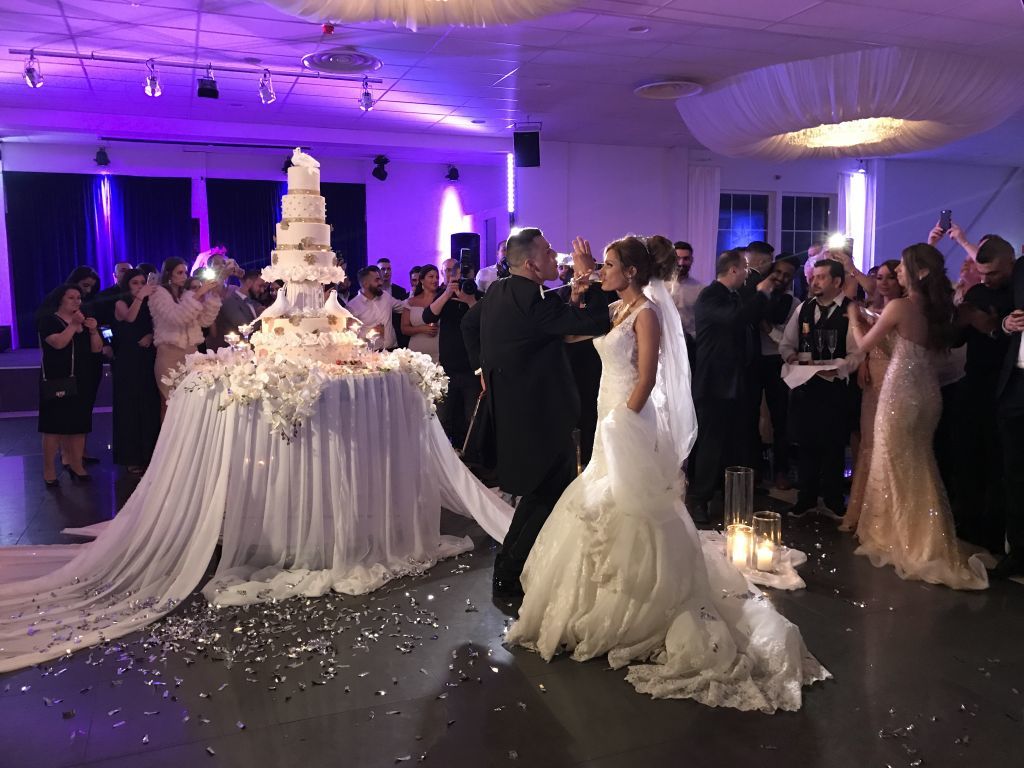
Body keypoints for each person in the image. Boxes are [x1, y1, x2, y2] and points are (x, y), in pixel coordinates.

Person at [506, 235, 828, 712]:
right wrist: (574, 289)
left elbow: (648, 376)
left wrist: (623, 420)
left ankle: (638, 605)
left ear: (631, 272)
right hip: (606, 412)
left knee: (630, 501)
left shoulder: (646, 313)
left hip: (628, 417)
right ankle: (594, 599)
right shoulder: (614, 309)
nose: (603, 272)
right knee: (600, 498)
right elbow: (572, 333)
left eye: (609, 265)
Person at [461, 228, 612, 597]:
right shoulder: (530, 299)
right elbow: (596, 322)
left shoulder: (500, 290)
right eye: (548, 251)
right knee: (547, 495)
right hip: (540, 417)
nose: (555, 255)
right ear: (531, 264)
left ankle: (510, 567)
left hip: (518, 411)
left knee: (539, 494)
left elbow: (469, 324)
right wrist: (589, 275)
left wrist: (484, 370)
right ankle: (509, 572)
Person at [847, 244, 987, 590]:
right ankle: (923, 535)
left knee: (895, 463)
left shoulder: (900, 306)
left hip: (901, 392)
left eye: (901, 267)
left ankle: (905, 538)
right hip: (928, 393)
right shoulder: (938, 309)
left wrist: (854, 320)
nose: (896, 272)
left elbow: (864, 345)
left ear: (918, 272)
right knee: (920, 463)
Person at [687, 250, 777, 523]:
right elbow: (735, 319)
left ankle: (734, 499)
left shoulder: (735, 296)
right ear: (734, 270)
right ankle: (699, 499)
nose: (748, 274)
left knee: (736, 443)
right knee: (711, 443)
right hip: (713, 382)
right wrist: (760, 294)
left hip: (736, 381)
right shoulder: (710, 295)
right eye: (745, 269)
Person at [780, 259, 860, 519]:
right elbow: (787, 344)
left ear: (837, 281)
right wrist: (792, 358)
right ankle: (806, 498)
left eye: (821, 277)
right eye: (813, 277)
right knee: (806, 444)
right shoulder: (804, 308)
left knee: (833, 445)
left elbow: (857, 352)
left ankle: (834, 499)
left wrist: (838, 367)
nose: (814, 282)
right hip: (806, 386)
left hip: (835, 388)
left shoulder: (850, 310)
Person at [841, 259, 904, 532]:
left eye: (891, 277)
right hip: (872, 376)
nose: (884, 282)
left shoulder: (902, 309)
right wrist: (864, 362)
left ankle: (887, 516)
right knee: (868, 442)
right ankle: (861, 513)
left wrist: (857, 319)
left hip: (897, 376)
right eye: (880, 278)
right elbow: (863, 347)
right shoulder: (872, 309)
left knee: (889, 442)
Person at [37, 283, 103, 485]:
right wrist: (74, 325)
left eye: (79, 298)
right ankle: (49, 470)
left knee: (79, 425)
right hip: (57, 378)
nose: (76, 301)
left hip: (82, 378)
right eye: (71, 298)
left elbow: (96, 350)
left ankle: (77, 465)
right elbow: (58, 343)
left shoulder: (83, 320)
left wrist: (93, 331)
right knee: (54, 427)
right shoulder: (49, 320)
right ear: (61, 299)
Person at [149, 257, 222, 419]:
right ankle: (168, 436)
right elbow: (176, 318)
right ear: (169, 274)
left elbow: (205, 321)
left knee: (191, 402)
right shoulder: (158, 294)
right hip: (169, 355)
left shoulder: (186, 295)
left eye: (185, 272)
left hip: (190, 354)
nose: (184, 276)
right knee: (169, 402)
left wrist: (212, 296)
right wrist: (198, 295)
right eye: (179, 272)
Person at [991, 248, 1024, 579]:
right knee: (1014, 473)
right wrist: (1005, 323)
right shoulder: (1022, 268)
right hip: (1016, 383)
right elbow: (1002, 307)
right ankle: (1017, 552)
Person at [424, 260, 481, 447]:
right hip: (447, 368)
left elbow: (485, 321)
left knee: (471, 419)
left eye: (457, 271)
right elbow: (428, 316)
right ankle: (444, 456)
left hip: (472, 369)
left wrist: (469, 300)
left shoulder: (477, 294)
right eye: (448, 271)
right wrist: (448, 293)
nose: (453, 275)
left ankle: (470, 457)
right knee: (443, 417)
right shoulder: (443, 295)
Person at [111, 269, 160, 474]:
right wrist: (140, 296)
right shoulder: (120, 303)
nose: (140, 286)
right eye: (135, 283)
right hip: (128, 359)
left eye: (142, 282)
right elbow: (129, 318)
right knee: (129, 407)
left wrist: (150, 335)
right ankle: (130, 457)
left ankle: (149, 455)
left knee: (148, 405)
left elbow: (157, 325)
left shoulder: (150, 303)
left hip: (147, 357)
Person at [758, 255, 799, 490]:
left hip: (777, 362)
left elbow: (788, 339)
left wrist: (767, 328)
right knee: (749, 416)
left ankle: (781, 470)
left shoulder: (794, 304)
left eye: (787, 275)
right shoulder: (758, 294)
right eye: (778, 272)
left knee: (780, 419)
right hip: (753, 360)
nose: (781, 278)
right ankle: (754, 469)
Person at [348, 266, 404, 351]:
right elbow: (350, 337)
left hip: (393, 350)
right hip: (370, 354)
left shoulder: (385, 296)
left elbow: (403, 307)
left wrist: (417, 297)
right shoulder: (352, 306)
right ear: (365, 284)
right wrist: (371, 333)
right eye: (377, 280)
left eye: (380, 279)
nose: (381, 282)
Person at [210, 268, 265, 349]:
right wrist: (265, 316)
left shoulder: (254, 303)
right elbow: (245, 328)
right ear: (249, 282)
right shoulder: (230, 302)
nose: (262, 290)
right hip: (235, 352)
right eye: (260, 286)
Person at [400, 264, 441, 362]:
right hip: (416, 351)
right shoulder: (410, 302)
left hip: (438, 351)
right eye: (431, 277)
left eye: (437, 277)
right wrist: (422, 329)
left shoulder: (441, 300)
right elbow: (404, 329)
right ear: (422, 280)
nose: (435, 280)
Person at [667, 240, 703, 339]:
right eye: (677, 258)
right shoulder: (660, 287)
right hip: (666, 340)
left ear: (692, 260)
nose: (681, 263)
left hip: (691, 341)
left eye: (686, 259)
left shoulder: (700, 289)